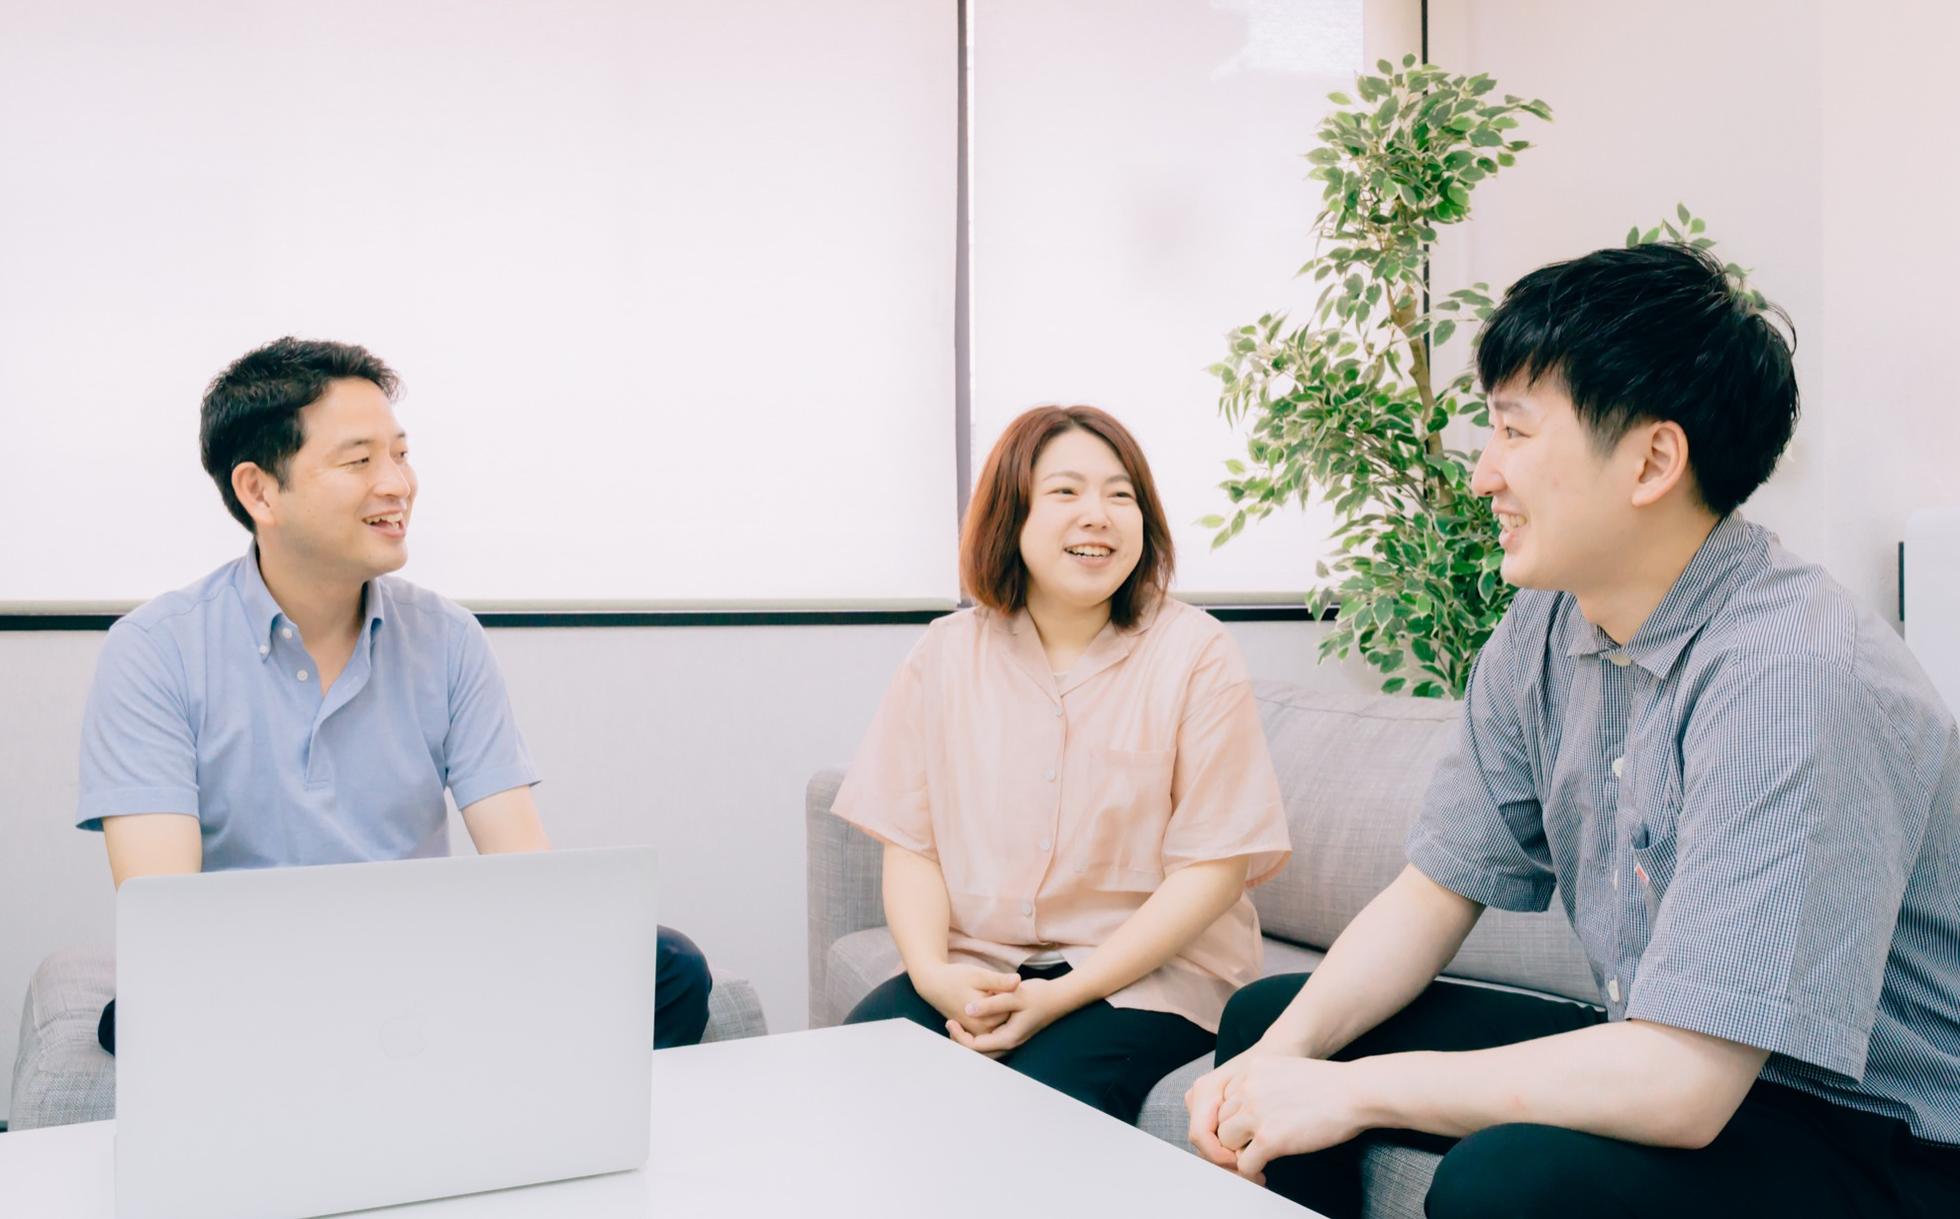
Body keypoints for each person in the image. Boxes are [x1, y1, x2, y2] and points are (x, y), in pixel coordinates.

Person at [1183, 243, 1960, 1219]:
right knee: (1271, 1025)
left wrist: (1353, 1092)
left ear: (1652, 461)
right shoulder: (1548, 624)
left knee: (1509, 1183)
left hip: (1876, 1133)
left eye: (1514, 430)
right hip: (1685, 1061)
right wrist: (1278, 1067)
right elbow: (1434, 890)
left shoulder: (1794, 672)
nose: (1483, 474)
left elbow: (1683, 1085)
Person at [80, 337, 712, 1053]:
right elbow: (167, 921)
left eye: (401, 454)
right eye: (359, 461)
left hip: (419, 964)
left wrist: (549, 945)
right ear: (259, 491)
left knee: (668, 969)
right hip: (253, 978)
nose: (397, 484)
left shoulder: (447, 637)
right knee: (151, 1012)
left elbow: (524, 867)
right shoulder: (155, 649)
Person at [833, 404, 1291, 1122]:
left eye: (1120, 495)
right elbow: (912, 844)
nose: (1097, 515)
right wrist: (933, 973)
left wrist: (1059, 996)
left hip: (1147, 982)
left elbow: (1213, 869)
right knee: (855, 1075)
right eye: (1066, 492)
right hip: (983, 963)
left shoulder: (1196, 653)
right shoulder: (945, 653)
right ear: (1011, 515)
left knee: (1028, 1111)